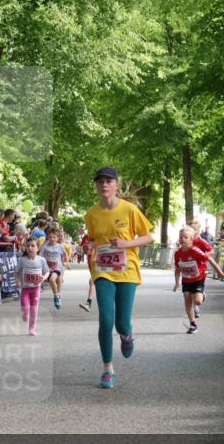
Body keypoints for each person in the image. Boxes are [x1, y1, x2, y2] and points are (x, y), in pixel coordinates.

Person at [82, 166, 153, 389]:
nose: (104, 184)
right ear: (96, 185)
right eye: (100, 181)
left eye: (108, 181)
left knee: (122, 323)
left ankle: (126, 334)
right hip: (103, 270)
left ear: (116, 185)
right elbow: (92, 240)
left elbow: (148, 237)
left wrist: (126, 243)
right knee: (106, 319)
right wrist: (88, 247)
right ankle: (108, 369)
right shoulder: (91, 214)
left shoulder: (129, 209)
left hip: (127, 270)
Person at [173, 226, 224, 333]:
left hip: (198, 278)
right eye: (181, 237)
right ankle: (192, 324)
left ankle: (202, 295)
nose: (182, 239)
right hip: (186, 280)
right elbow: (177, 269)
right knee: (187, 299)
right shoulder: (177, 254)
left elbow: (209, 258)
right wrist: (177, 283)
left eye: (185, 237)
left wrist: (219, 272)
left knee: (197, 301)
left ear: (191, 239)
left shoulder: (195, 251)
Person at [15, 237, 49, 336]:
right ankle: (25, 313)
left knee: (34, 309)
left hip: (36, 289)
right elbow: (16, 272)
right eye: (28, 246)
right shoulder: (22, 260)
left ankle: (32, 328)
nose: (30, 248)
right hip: (25, 289)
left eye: (33, 246)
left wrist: (43, 278)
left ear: (38, 248)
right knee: (26, 308)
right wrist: (18, 281)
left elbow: (47, 271)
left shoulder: (41, 260)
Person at [41, 224, 67, 309]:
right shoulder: (45, 246)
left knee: (54, 280)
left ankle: (57, 297)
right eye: (50, 237)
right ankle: (57, 295)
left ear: (58, 238)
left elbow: (65, 254)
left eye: (54, 237)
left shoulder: (60, 247)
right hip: (48, 269)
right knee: (53, 281)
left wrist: (64, 262)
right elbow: (40, 257)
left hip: (57, 268)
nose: (52, 239)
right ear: (47, 237)